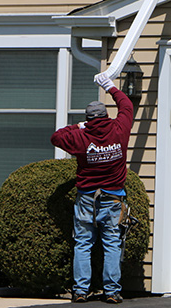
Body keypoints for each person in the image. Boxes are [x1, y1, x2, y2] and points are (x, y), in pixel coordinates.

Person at [50, 72, 134, 304]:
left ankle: (80, 291)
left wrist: (78, 125)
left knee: (83, 243)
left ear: (88, 119)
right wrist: (110, 87)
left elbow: (56, 137)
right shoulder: (119, 129)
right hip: (113, 198)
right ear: (106, 116)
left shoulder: (80, 137)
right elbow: (127, 106)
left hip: (87, 199)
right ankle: (112, 292)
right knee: (112, 242)